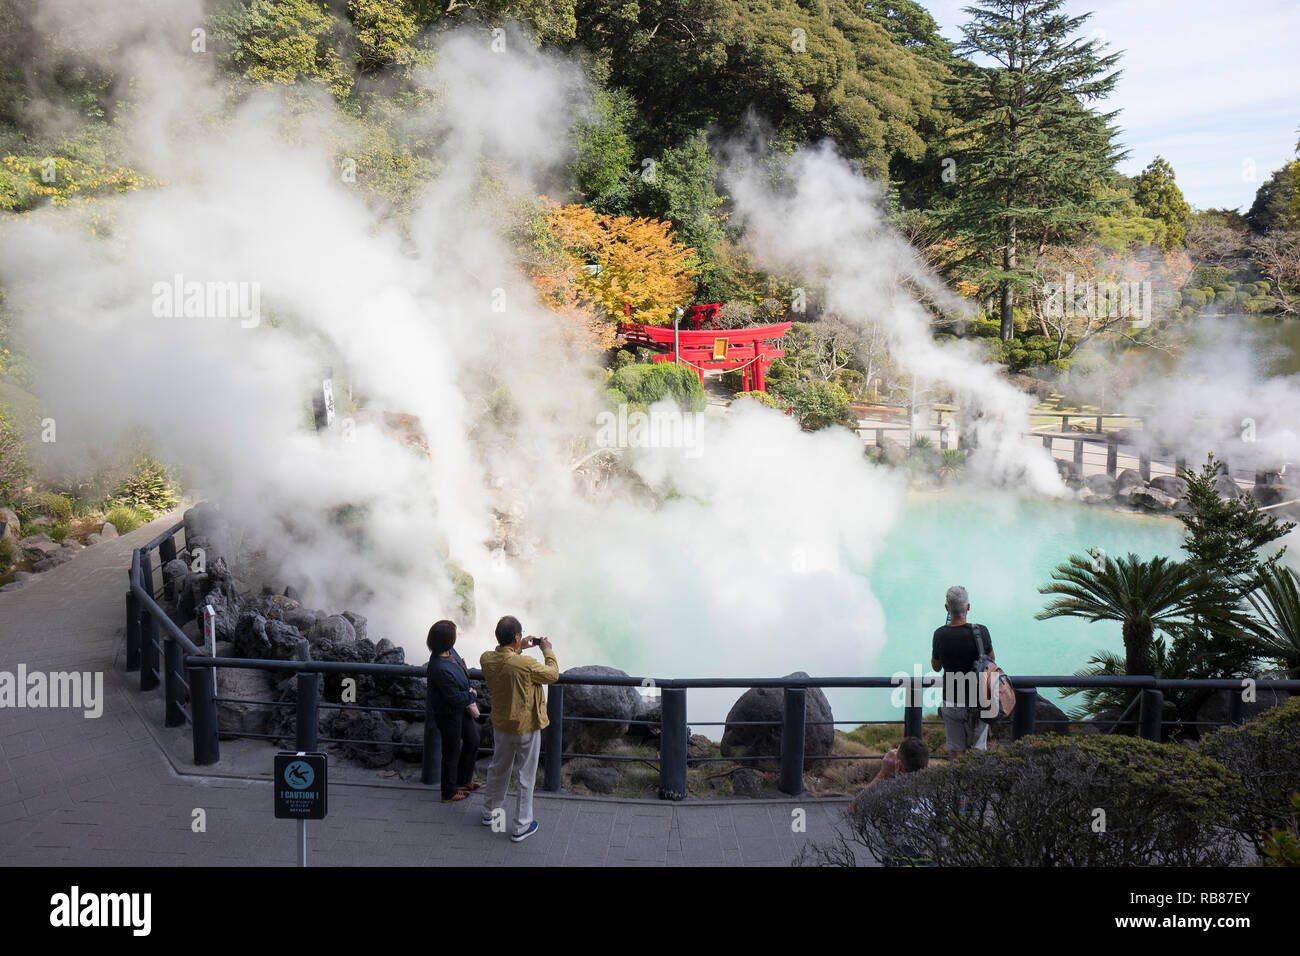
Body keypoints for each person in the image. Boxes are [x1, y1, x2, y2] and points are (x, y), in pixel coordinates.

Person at [479, 615, 558, 843]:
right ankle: (521, 826)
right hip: (526, 727)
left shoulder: (486, 659)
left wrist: (518, 649)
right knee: (526, 776)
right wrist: (547, 651)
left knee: (498, 769)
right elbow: (552, 675)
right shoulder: (525, 664)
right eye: (520, 637)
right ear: (516, 637)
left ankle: (490, 813)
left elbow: (508, 663)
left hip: (501, 725)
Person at [931, 585, 994, 756]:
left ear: (947, 608)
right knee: (978, 752)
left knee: (956, 753)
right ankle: (976, 781)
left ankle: (958, 782)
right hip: (980, 701)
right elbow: (992, 661)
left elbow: (936, 667)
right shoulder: (981, 631)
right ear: (968, 607)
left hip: (952, 700)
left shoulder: (940, 634)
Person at [427, 620, 481, 803]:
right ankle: (448, 792)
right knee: (451, 751)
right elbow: (454, 698)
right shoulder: (438, 667)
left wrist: (468, 692)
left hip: (461, 709)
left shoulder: (450, 651)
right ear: (446, 640)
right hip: (449, 713)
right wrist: (472, 695)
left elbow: (462, 671)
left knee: (473, 739)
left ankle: (463, 779)